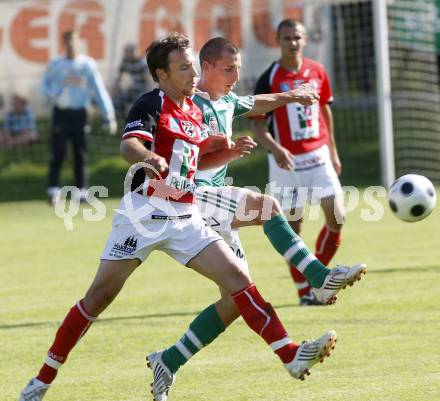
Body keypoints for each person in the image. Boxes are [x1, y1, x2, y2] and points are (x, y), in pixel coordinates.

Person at [19, 32, 340, 401]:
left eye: (191, 65)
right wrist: (146, 156)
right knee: (98, 298)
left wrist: (230, 152)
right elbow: (129, 145)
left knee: (237, 281)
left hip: (184, 212)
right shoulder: (151, 103)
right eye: (184, 67)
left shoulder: (193, 109)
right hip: (145, 212)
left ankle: (291, 355)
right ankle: (41, 381)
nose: (192, 73)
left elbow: (196, 163)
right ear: (162, 74)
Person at [145, 37, 366, 401]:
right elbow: (177, 146)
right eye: (228, 69)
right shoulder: (188, 102)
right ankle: (319, 278)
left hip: (210, 206)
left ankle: (168, 361)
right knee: (267, 207)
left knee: (235, 299)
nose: (236, 75)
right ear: (208, 69)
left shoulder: (227, 101)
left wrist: (293, 96)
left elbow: (257, 102)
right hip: (189, 199)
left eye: (238, 68)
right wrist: (219, 147)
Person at [250, 19, 346, 303]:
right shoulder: (269, 78)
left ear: (305, 40)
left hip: (317, 157)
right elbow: (257, 124)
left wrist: (333, 151)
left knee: (338, 216)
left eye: (297, 37)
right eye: (287, 38)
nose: (293, 42)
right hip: (285, 163)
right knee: (293, 230)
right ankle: (305, 291)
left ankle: (318, 277)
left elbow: (325, 111)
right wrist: (275, 148)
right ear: (278, 41)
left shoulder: (317, 71)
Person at [42, 30, 117, 204]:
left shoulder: (87, 64)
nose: (71, 45)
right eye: (68, 41)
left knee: (80, 153)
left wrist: (109, 114)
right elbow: (44, 84)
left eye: (74, 41)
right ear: (64, 43)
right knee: (58, 152)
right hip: (61, 113)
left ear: (78, 42)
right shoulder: (56, 64)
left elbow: (98, 88)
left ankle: (81, 191)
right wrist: (53, 95)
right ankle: (53, 189)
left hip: (80, 114)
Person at [112, 43, 149, 116]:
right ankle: (122, 119)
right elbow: (119, 76)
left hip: (142, 90)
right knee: (117, 102)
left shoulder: (142, 62)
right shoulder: (125, 61)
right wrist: (116, 88)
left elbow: (149, 80)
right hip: (132, 88)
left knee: (138, 104)